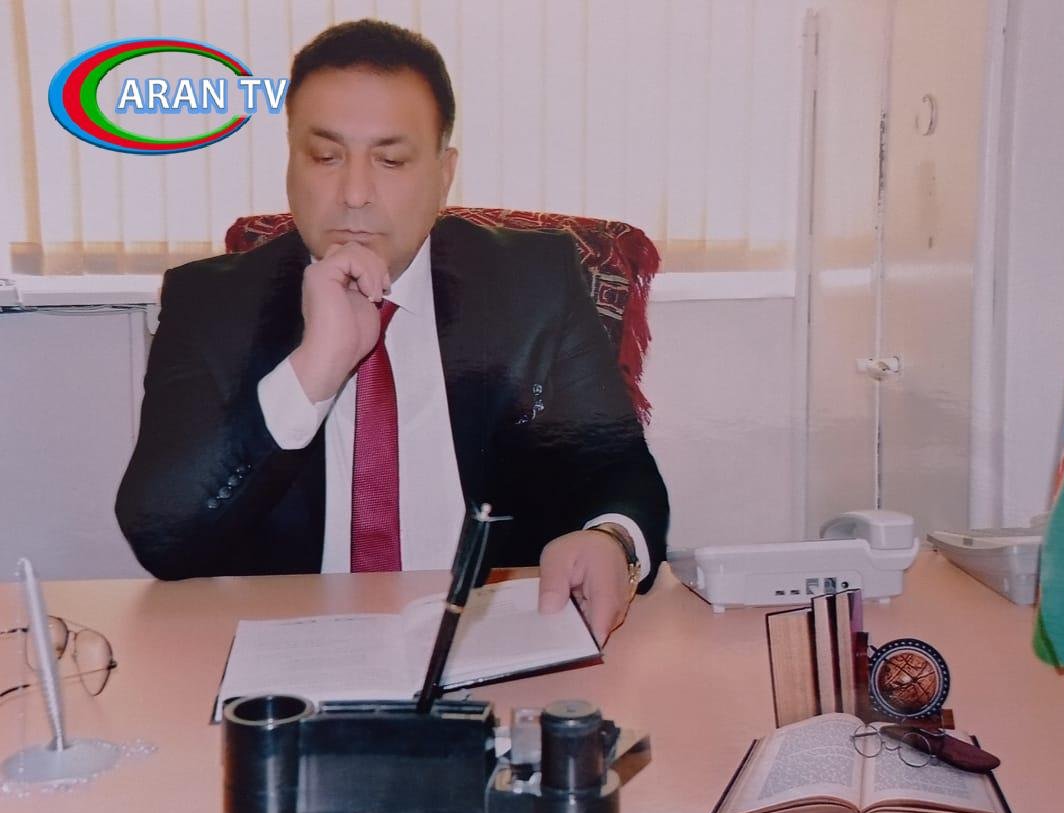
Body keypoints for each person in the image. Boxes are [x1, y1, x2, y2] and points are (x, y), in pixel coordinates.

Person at [115, 20, 669, 642]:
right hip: (292, 651)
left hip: (486, 643)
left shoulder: (531, 285)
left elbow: (618, 469)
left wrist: (612, 539)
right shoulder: (212, 303)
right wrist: (312, 372)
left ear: (443, 174)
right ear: (290, 163)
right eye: (325, 157)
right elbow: (164, 538)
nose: (355, 193)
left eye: (392, 160)